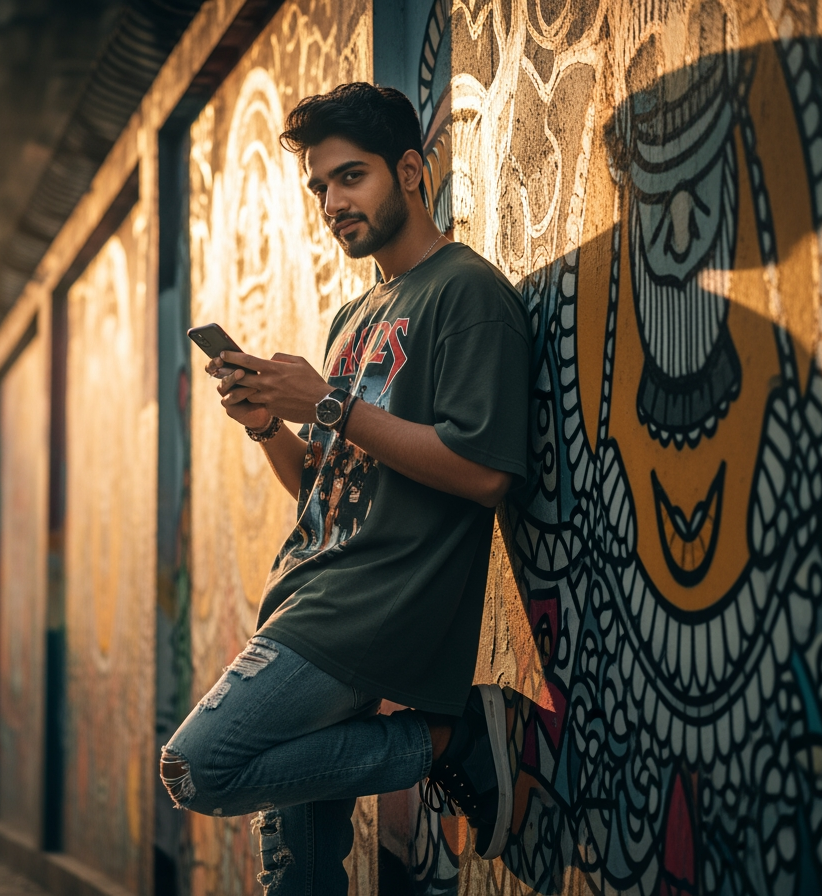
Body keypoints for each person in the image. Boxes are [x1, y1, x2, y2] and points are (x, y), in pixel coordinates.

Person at [160, 82, 530, 893]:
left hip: (367, 614)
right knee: (294, 876)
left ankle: (450, 739)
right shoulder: (353, 319)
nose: (333, 202)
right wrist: (269, 425)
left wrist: (327, 402)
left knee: (199, 768)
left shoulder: (466, 295)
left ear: (409, 171)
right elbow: (325, 492)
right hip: (305, 595)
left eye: (351, 177)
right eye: (321, 186)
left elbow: (484, 472)